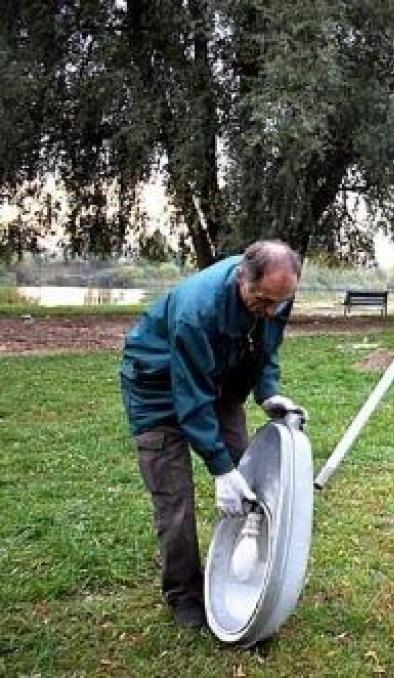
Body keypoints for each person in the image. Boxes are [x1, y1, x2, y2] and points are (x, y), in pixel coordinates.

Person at [120, 240, 307, 628]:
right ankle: (184, 597)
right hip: (156, 391)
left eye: (279, 303)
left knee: (252, 478)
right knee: (176, 502)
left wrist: (268, 391)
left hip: (219, 383)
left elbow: (266, 349)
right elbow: (190, 399)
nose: (272, 311)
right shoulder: (196, 310)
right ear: (242, 277)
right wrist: (220, 469)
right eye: (262, 302)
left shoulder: (276, 295)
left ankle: (255, 575)